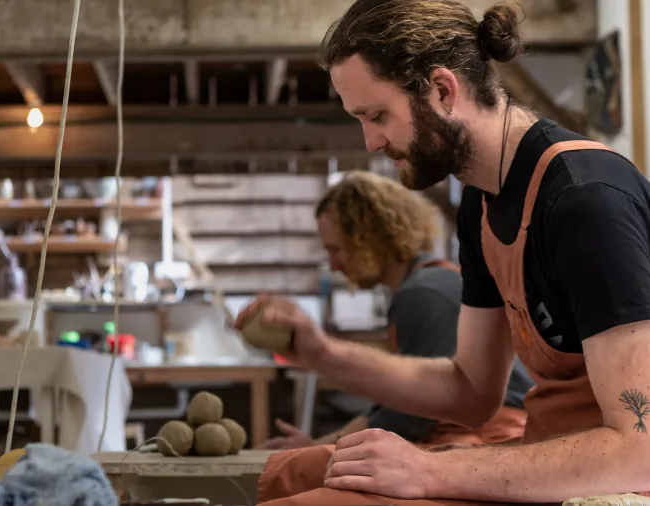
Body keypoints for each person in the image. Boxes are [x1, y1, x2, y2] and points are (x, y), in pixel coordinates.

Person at [235, 1, 650, 504]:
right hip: (544, 459)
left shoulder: (585, 199)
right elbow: (470, 392)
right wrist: (323, 353)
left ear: (441, 90)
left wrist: (431, 471)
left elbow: (638, 450)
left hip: (599, 481)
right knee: (293, 471)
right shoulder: (481, 201)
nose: (370, 143)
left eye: (377, 115)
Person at [259, 172, 532, 451]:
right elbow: (400, 401)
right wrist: (318, 445)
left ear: (371, 239)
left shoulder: (423, 293)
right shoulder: (427, 282)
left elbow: (413, 413)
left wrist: (320, 450)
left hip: (492, 437)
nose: (333, 265)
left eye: (336, 250)